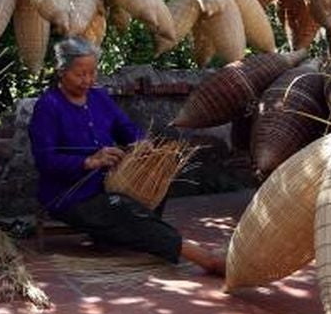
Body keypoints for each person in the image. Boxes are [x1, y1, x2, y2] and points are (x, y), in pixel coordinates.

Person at [28, 36, 225, 275]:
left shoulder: (98, 97)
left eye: (92, 73)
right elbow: (45, 160)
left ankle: (118, 237)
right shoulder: (48, 107)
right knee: (123, 209)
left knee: (154, 180)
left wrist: (142, 144)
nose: (88, 80)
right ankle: (204, 258)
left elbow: (126, 128)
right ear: (62, 71)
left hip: (108, 184)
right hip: (71, 196)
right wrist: (90, 161)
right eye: (80, 74)